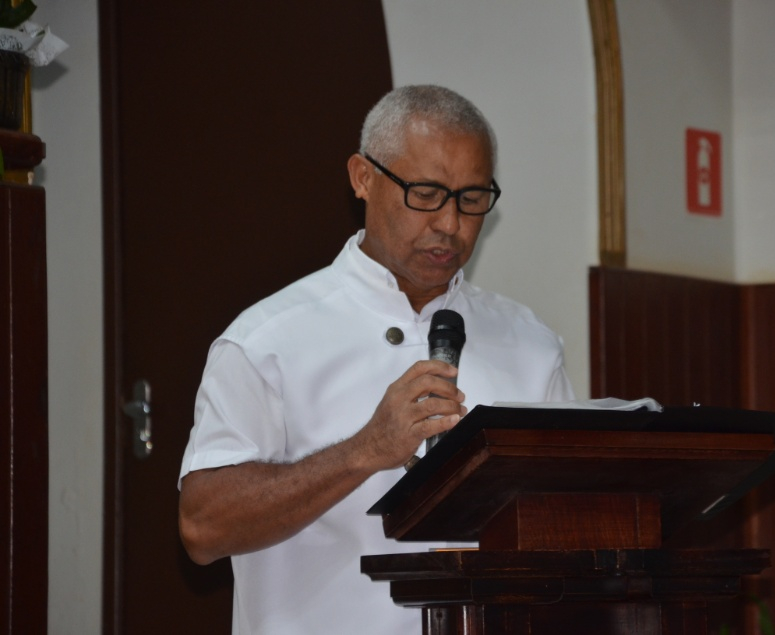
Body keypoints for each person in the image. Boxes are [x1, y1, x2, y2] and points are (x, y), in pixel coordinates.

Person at [178, 85, 575, 635]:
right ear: (363, 178)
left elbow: (567, 526)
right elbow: (202, 528)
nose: (451, 225)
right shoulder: (267, 340)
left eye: (472, 198)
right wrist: (365, 451)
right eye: (427, 193)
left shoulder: (531, 346)